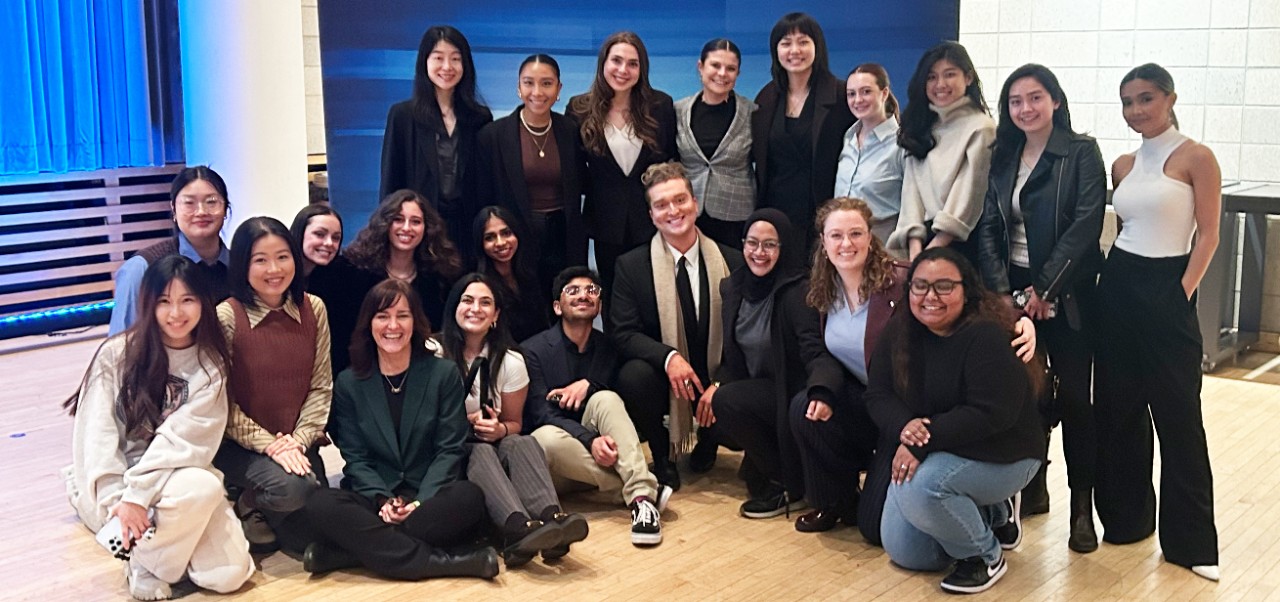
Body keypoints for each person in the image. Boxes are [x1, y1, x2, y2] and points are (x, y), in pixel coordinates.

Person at [1093, 63, 1221, 582]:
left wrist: (1182, 292)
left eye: (1145, 98)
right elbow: (1128, 227)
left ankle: (1192, 543)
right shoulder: (1122, 164)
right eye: (1127, 101)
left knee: (1178, 416)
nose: (1136, 110)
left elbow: (1208, 234)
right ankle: (1127, 521)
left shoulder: (1196, 156)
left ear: (1169, 98)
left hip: (1168, 287)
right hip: (1119, 283)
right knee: (1119, 409)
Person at [63, 255, 255, 600]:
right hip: (123, 482)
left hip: (174, 476)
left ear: (203, 303)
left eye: (187, 300)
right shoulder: (116, 354)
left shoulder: (210, 363)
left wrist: (141, 496)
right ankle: (139, 559)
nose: (175, 313)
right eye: (164, 301)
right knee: (203, 487)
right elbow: (96, 435)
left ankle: (146, 555)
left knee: (227, 577)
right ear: (148, 303)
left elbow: (184, 440)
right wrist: (118, 500)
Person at [974, 64, 1106, 552]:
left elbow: (1086, 225)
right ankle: (1030, 487)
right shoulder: (1003, 153)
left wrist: (1044, 291)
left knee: (1075, 399)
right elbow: (990, 227)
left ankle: (1081, 510)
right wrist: (1006, 298)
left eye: (1035, 97)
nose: (1025, 108)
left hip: (1067, 292)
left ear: (1055, 100)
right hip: (1013, 291)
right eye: (1015, 100)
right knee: (1020, 393)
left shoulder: (1081, 152)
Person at [866, 247, 1046, 594]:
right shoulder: (901, 328)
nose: (930, 297)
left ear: (968, 290)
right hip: (940, 446)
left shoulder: (988, 335)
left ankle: (984, 556)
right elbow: (877, 395)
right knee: (909, 551)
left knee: (921, 487)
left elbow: (992, 414)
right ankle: (991, 516)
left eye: (944, 286)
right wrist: (904, 427)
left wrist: (921, 442)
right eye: (920, 286)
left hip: (1004, 451)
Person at [300, 279, 498, 580]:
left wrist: (419, 501)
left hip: (430, 496)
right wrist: (383, 500)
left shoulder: (442, 373)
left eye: (402, 315)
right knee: (320, 503)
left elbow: (449, 450)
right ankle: (449, 563)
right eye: (382, 316)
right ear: (369, 324)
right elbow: (355, 458)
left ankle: (352, 552)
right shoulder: (349, 383)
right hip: (375, 497)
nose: (392, 325)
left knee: (469, 497)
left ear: (415, 321)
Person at [438, 274, 589, 566]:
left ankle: (553, 520)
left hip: (493, 444)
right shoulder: (434, 352)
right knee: (480, 450)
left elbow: (514, 423)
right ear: (454, 308)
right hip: (451, 448)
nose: (475, 309)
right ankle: (517, 528)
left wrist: (499, 429)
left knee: (521, 441)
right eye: (467, 301)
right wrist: (467, 421)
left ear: (495, 315)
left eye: (486, 303)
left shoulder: (511, 360)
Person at [610, 162, 744, 491]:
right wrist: (669, 358)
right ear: (652, 215)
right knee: (633, 376)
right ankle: (664, 456)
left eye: (680, 200)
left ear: (695, 203)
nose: (674, 210)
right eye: (661, 205)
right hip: (666, 375)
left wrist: (720, 382)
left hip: (716, 373)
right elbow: (623, 333)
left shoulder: (734, 262)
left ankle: (710, 442)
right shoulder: (631, 265)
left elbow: (746, 335)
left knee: (740, 396)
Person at [523, 266, 675, 546]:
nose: (584, 295)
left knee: (607, 399)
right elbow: (540, 413)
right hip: (559, 461)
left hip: (596, 456)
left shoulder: (607, 346)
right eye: (573, 290)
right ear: (557, 307)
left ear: (600, 305)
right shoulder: (533, 350)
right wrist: (590, 440)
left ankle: (641, 501)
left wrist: (589, 385)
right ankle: (641, 488)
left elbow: (608, 395)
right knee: (542, 440)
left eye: (591, 290)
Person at [213, 217, 331, 554]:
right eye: (260, 260)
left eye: (282, 256)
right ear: (242, 265)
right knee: (295, 491)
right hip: (241, 445)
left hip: (296, 442)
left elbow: (321, 386)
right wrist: (271, 446)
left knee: (319, 522)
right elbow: (223, 404)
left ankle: (259, 501)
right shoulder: (227, 316)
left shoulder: (315, 309)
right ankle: (247, 497)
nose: (274, 269)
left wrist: (298, 441)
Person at [701, 208, 824, 520]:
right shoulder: (734, 287)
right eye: (752, 242)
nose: (759, 252)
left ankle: (788, 485)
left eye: (770, 244)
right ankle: (770, 469)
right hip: (755, 389)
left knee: (727, 400)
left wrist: (822, 392)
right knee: (710, 397)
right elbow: (732, 354)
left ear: (784, 247)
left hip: (790, 392)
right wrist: (714, 385)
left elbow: (812, 350)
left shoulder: (798, 291)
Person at [568, 31, 677, 293]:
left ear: (642, 68)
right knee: (613, 295)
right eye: (616, 61)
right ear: (603, 63)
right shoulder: (579, 109)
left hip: (652, 221)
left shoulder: (660, 105)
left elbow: (671, 161)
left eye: (632, 63)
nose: (623, 70)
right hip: (605, 224)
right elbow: (574, 171)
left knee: (653, 294)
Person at [312, 189, 464, 373]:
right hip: (359, 375)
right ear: (385, 223)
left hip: (420, 376)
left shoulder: (440, 277)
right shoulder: (351, 272)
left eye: (415, 221)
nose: (406, 228)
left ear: (427, 228)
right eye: (398, 219)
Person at [380, 25, 493, 258]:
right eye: (438, 58)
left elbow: (486, 183)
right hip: (420, 232)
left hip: (466, 230)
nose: (447, 67)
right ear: (424, 62)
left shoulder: (479, 117)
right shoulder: (403, 116)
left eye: (455, 59)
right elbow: (391, 180)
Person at [476, 54, 588, 289]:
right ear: (518, 88)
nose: (537, 91)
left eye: (546, 83)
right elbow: (483, 198)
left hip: (563, 238)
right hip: (515, 239)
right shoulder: (493, 136)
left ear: (559, 89)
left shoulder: (569, 129)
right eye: (528, 83)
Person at [751, 13, 854, 254]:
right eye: (786, 43)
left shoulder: (841, 95)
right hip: (776, 212)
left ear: (817, 46)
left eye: (803, 41)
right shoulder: (766, 97)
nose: (794, 50)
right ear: (775, 50)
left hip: (824, 213)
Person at [889, 41, 995, 263]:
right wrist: (916, 250)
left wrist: (930, 254)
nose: (940, 84)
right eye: (931, 77)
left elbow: (968, 199)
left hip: (960, 244)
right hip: (922, 244)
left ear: (968, 78)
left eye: (949, 74)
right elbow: (912, 195)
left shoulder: (981, 128)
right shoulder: (922, 129)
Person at [109, 166, 232, 335]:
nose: (201, 211)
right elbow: (121, 346)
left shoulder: (240, 267)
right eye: (189, 203)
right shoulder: (143, 268)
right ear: (174, 209)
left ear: (225, 208)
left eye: (211, 202)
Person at [675, 38, 756, 249]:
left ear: (737, 74)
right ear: (700, 67)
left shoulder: (753, 113)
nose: (722, 73)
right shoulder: (678, 110)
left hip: (735, 215)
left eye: (731, 68)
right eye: (715, 65)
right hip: (687, 212)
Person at [834, 63, 905, 244]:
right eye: (851, 94)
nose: (858, 100)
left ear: (884, 93)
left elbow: (913, 207)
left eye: (866, 92)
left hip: (883, 246)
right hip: (845, 245)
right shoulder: (847, 138)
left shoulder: (901, 144)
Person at [472, 206, 550, 343]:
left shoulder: (533, 273)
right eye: (490, 237)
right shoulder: (480, 286)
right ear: (481, 244)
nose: (501, 243)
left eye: (506, 233)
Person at [289, 203, 343, 281]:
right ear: (300, 232)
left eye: (336, 237)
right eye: (320, 234)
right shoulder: (279, 273)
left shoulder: (335, 277)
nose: (329, 243)